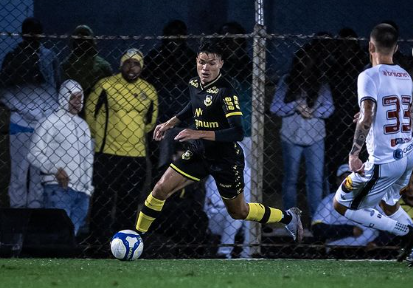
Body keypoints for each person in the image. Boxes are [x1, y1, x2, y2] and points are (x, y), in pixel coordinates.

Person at [134, 40, 303, 244]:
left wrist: (198, 133)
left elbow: (237, 132)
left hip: (225, 159)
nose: (205, 68)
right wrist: (170, 123)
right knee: (160, 188)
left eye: (212, 63)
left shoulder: (226, 92)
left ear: (221, 63)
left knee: (239, 212)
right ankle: (137, 237)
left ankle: (288, 217)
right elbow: (194, 105)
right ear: (196, 61)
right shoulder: (194, 84)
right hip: (199, 153)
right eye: (202, 62)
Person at [333, 23, 413, 263]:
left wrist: (354, 153)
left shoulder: (368, 75)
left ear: (370, 46)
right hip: (407, 155)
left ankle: (406, 232)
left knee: (342, 205)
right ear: (396, 48)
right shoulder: (405, 75)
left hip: (384, 160)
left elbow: (368, 115)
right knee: (389, 205)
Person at [85, 48, 158, 244]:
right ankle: (97, 244)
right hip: (107, 153)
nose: (132, 67)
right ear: (121, 65)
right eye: (128, 62)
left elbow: (150, 121)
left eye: (136, 63)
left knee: (129, 203)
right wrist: (101, 138)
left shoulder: (149, 90)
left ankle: (124, 244)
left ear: (142, 67)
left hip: (136, 156)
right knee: (103, 201)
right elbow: (91, 112)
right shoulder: (106, 85)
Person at [0, 17, 60, 208]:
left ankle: (34, 212)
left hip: (43, 124)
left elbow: (57, 88)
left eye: (37, 32)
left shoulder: (49, 57)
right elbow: (4, 90)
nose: (34, 36)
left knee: (38, 174)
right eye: (30, 32)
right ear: (24, 34)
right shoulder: (13, 57)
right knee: (19, 173)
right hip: (20, 124)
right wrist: (22, 108)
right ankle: (17, 211)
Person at [270, 47, 335, 218]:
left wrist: (313, 112)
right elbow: (275, 107)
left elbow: (329, 108)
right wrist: (296, 107)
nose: (305, 66)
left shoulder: (321, 82)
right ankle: (290, 220)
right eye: (302, 62)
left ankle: (316, 220)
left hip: (316, 137)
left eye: (309, 62)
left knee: (315, 180)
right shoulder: (287, 81)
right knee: (290, 179)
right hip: (291, 136)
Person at [27, 80, 93, 235]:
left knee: (72, 235)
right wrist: (55, 169)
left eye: (80, 97)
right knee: (58, 234)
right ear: (64, 97)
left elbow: (88, 159)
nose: (78, 102)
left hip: (81, 191)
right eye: (73, 98)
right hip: (57, 187)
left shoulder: (83, 125)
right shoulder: (49, 122)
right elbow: (34, 153)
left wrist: (88, 189)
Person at [141, 20, 196, 174]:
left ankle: (183, 196)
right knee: (158, 162)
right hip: (159, 117)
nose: (174, 39)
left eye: (178, 35)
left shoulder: (192, 59)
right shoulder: (154, 57)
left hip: (183, 117)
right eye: (170, 35)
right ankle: (158, 191)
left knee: (184, 162)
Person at [312, 164, 379, 246]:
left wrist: (377, 243)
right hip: (337, 249)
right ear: (337, 181)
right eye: (343, 178)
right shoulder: (329, 200)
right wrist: (350, 230)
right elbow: (317, 229)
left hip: (367, 249)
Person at [61, 25, 113, 118]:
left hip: (96, 107)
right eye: (79, 39)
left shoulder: (103, 66)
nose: (82, 42)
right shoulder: (66, 66)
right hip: (72, 107)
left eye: (85, 38)